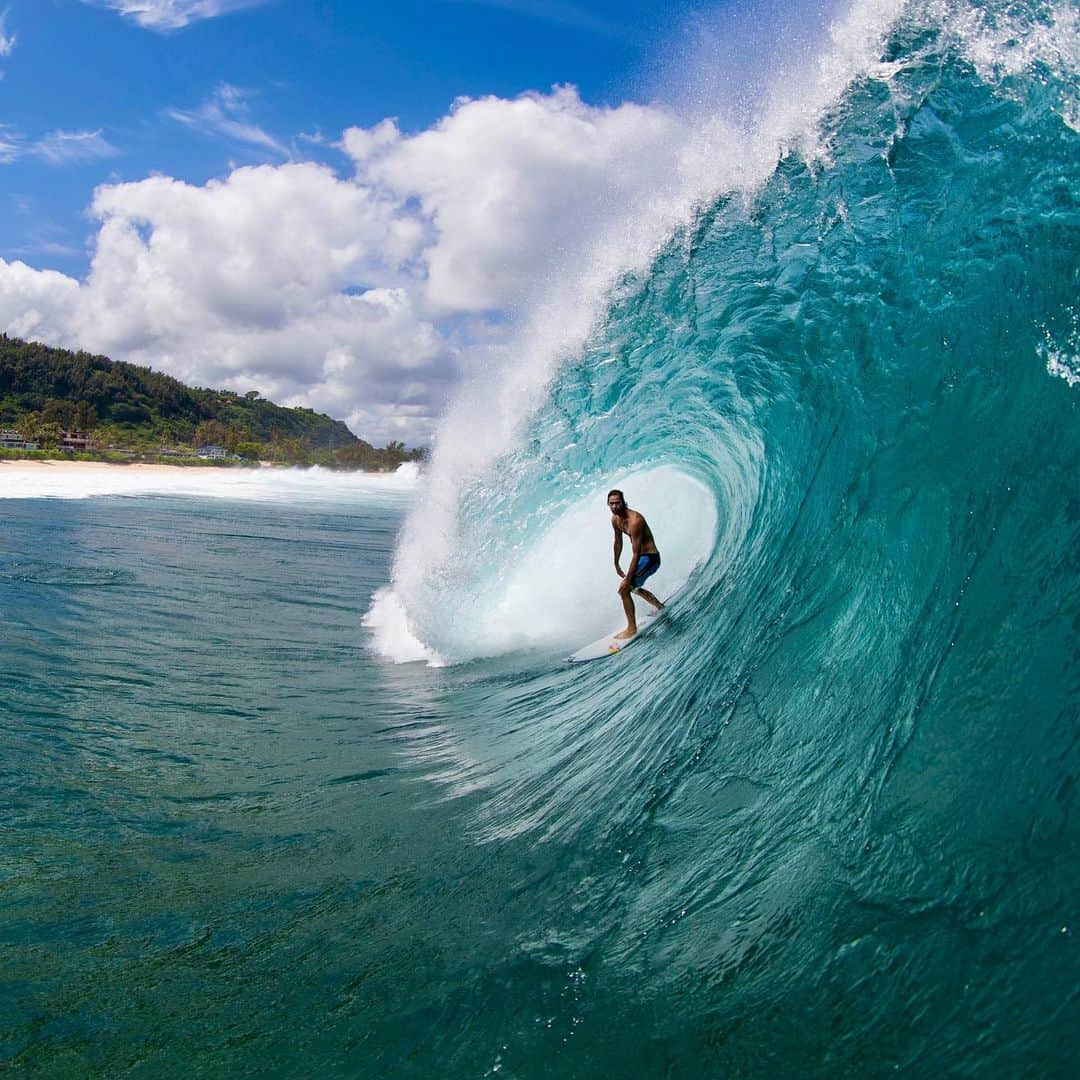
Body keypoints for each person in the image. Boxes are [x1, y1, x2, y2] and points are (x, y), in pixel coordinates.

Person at [608, 489, 663, 639]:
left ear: (623, 502)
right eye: (611, 504)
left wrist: (627, 579)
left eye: (617, 503)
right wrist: (616, 563)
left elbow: (636, 553)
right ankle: (659, 607)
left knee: (624, 589)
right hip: (642, 559)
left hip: (650, 558)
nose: (614, 507)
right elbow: (618, 542)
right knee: (632, 587)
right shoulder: (616, 520)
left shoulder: (635, 521)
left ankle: (631, 629)